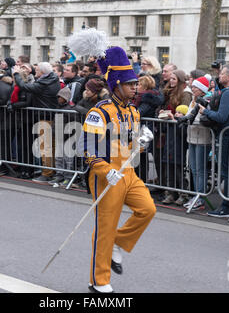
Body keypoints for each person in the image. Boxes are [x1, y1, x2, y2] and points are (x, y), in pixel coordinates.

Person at [78, 46, 156, 293]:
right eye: (130, 83)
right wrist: (103, 170)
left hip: (129, 173)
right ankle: (98, 280)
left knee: (147, 209)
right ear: (117, 85)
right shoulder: (99, 111)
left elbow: (130, 146)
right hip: (107, 175)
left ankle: (119, 243)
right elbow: (87, 147)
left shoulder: (133, 111)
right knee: (105, 227)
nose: (135, 87)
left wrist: (141, 143)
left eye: (136, 83)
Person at [13, 62, 60, 182]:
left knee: (46, 147)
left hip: (45, 116)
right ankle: (51, 171)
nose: (35, 71)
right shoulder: (52, 79)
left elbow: (25, 87)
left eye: (37, 70)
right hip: (49, 115)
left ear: (43, 72)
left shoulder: (44, 83)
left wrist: (17, 74)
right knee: (50, 146)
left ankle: (47, 173)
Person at [199, 64, 229, 218]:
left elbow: (221, 117)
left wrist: (205, 111)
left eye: (221, 74)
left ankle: (227, 207)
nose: (219, 77)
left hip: (228, 137)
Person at [178, 74, 213, 210]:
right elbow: (189, 116)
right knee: (193, 168)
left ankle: (201, 198)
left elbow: (205, 118)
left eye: (195, 87)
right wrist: (181, 117)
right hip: (192, 137)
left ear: (202, 89)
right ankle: (196, 196)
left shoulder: (207, 100)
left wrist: (188, 120)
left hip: (203, 138)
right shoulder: (194, 100)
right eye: (192, 87)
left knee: (200, 169)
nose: (192, 89)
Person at [158, 70, 192, 205]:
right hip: (170, 131)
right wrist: (162, 112)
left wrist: (174, 117)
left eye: (174, 79)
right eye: (170, 78)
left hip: (179, 131)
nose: (171, 81)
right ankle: (171, 192)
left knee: (178, 165)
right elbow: (164, 107)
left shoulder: (186, 94)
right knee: (168, 163)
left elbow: (184, 112)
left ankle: (183, 193)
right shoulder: (169, 92)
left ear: (180, 80)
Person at [132, 75, 164, 183]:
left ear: (145, 86)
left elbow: (139, 113)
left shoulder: (147, 99)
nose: (136, 86)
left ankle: (141, 182)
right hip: (140, 128)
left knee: (141, 156)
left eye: (139, 84)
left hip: (144, 130)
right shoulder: (140, 97)